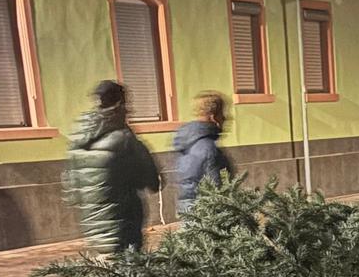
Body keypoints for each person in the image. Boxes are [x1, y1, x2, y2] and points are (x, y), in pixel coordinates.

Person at [64, 80, 160, 253]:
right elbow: (152, 181)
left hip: (92, 227)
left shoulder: (77, 140)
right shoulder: (124, 139)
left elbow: (72, 191)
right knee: (128, 266)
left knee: (104, 265)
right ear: (120, 103)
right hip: (124, 225)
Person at [173, 91, 233, 216]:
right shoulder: (208, 147)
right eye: (222, 114)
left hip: (188, 206)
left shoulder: (189, 143)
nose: (226, 118)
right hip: (205, 211)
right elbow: (217, 187)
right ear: (213, 117)